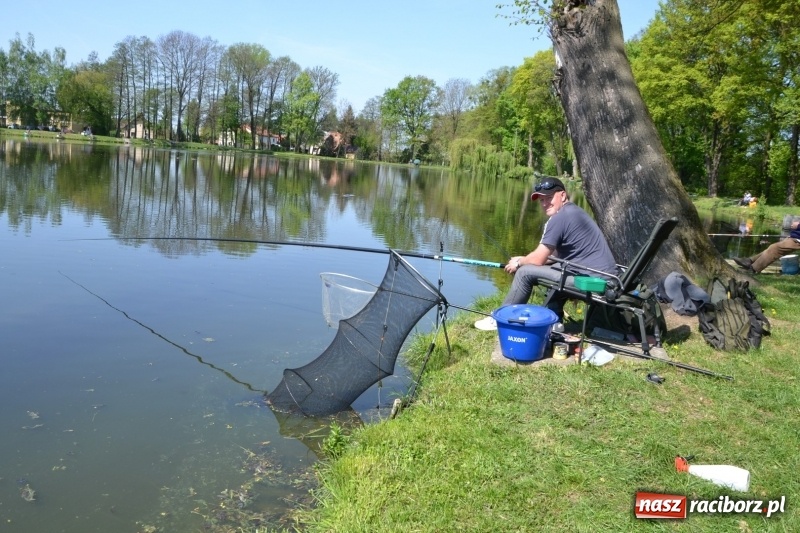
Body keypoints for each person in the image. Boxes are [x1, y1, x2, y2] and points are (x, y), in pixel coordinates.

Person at [474, 177, 618, 331]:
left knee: (524, 273)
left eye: (549, 198)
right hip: (605, 279)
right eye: (541, 200)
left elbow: (538, 259)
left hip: (596, 283)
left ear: (562, 195)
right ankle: (554, 320)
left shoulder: (560, 217)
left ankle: (501, 319)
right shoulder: (573, 211)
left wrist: (519, 263)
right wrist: (523, 259)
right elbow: (555, 256)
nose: (544, 204)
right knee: (555, 267)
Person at [733, 218, 800, 273]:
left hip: (797, 239)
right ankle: (749, 261)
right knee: (772, 247)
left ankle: (753, 269)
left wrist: (798, 226)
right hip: (795, 237)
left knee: (775, 248)